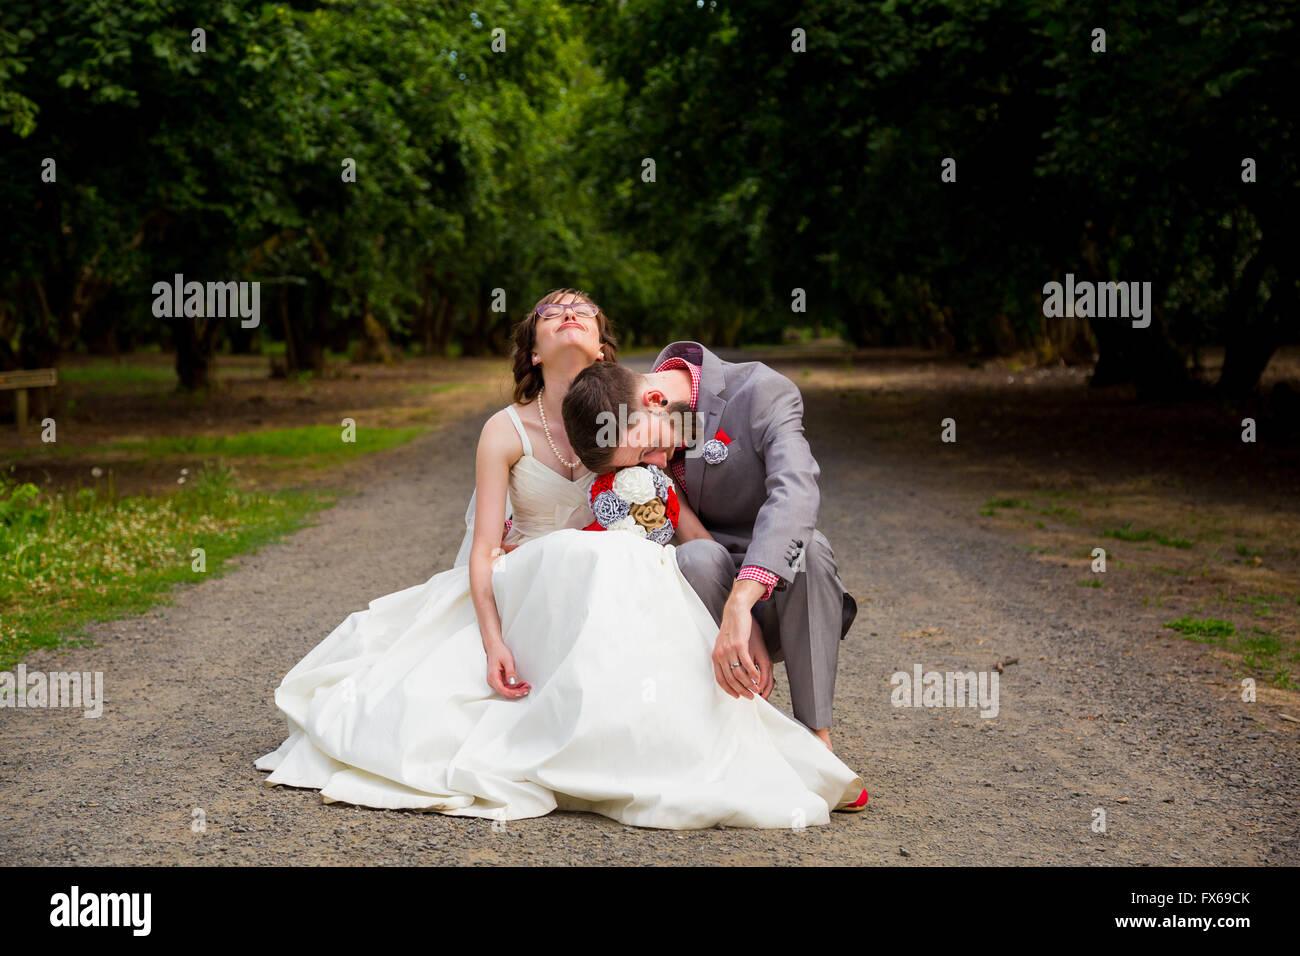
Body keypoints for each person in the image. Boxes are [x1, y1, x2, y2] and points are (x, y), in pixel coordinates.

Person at [255, 290, 864, 828]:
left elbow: (711, 511)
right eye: (552, 313)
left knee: (743, 558)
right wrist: (497, 625)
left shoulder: (672, 401)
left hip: (673, 572)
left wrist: (743, 603)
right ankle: (609, 740)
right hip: (567, 576)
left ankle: (788, 737)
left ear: (605, 350)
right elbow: (492, 543)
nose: (568, 316)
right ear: (532, 353)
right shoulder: (530, 424)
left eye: (583, 312)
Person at [560, 344, 860, 765]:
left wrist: (743, 601)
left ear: (653, 400)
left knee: (810, 550)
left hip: (778, 594)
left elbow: (797, 491)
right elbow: (686, 534)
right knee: (697, 556)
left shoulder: (763, 392)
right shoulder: (629, 415)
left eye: (649, 452)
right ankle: (730, 736)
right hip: (694, 597)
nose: (656, 463)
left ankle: (816, 738)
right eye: (643, 461)